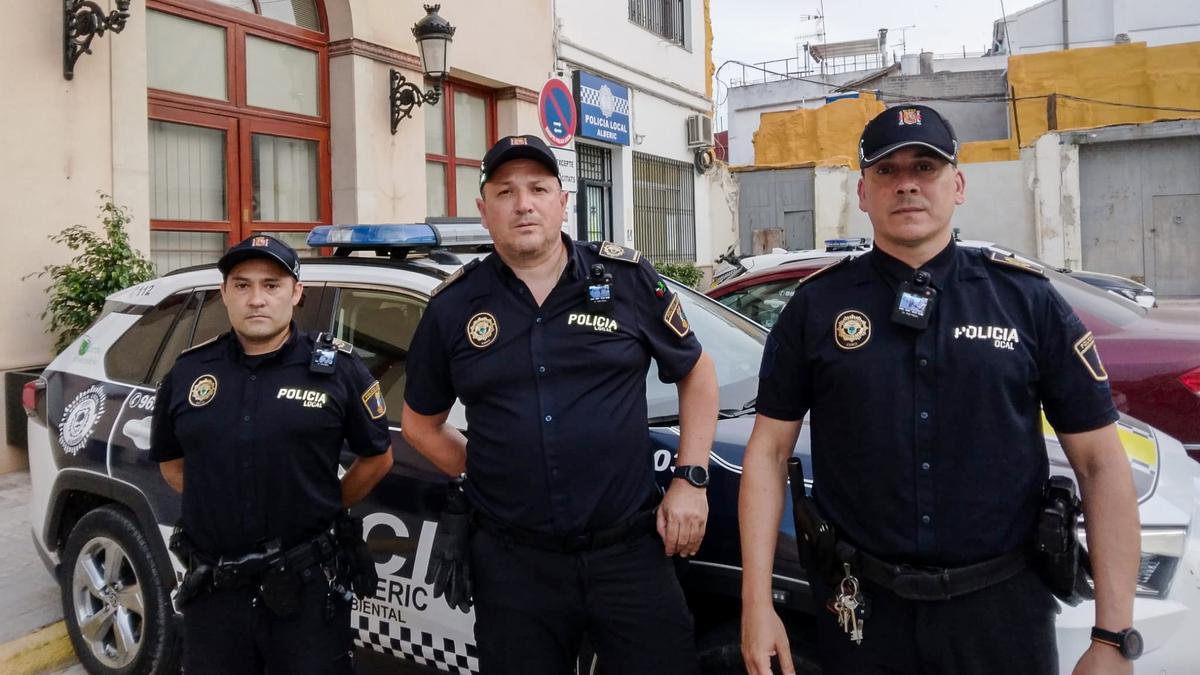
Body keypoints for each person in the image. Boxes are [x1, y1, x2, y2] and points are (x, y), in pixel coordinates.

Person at [738, 105, 1141, 675]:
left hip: (1001, 613)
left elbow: (1101, 463)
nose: (906, 182)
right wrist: (756, 604)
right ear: (862, 192)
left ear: (957, 185)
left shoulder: (1027, 303)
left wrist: (1113, 636)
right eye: (886, 170)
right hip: (862, 612)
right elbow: (767, 452)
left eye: (925, 167)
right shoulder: (815, 307)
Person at [401, 134, 720, 674]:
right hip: (514, 565)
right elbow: (419, 424)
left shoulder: (625, 279)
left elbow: (696, 372)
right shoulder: (453, 307)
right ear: (484, 211)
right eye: (505, 192)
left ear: (562, 201)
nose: (523, 203)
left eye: (538, 188)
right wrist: (488, 471)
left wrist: (690, 479)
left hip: (629, 554)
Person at [150, 235, 394, 675]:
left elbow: (378, 457)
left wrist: (323, 504)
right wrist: (222, 498)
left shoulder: (338, 370)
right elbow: (172, 465)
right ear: (224, 294)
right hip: (215, 592)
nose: (257, 299)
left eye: (272, 285)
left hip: (306, 589)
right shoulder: (189, 372)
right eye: (242, 286)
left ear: (296, 293)